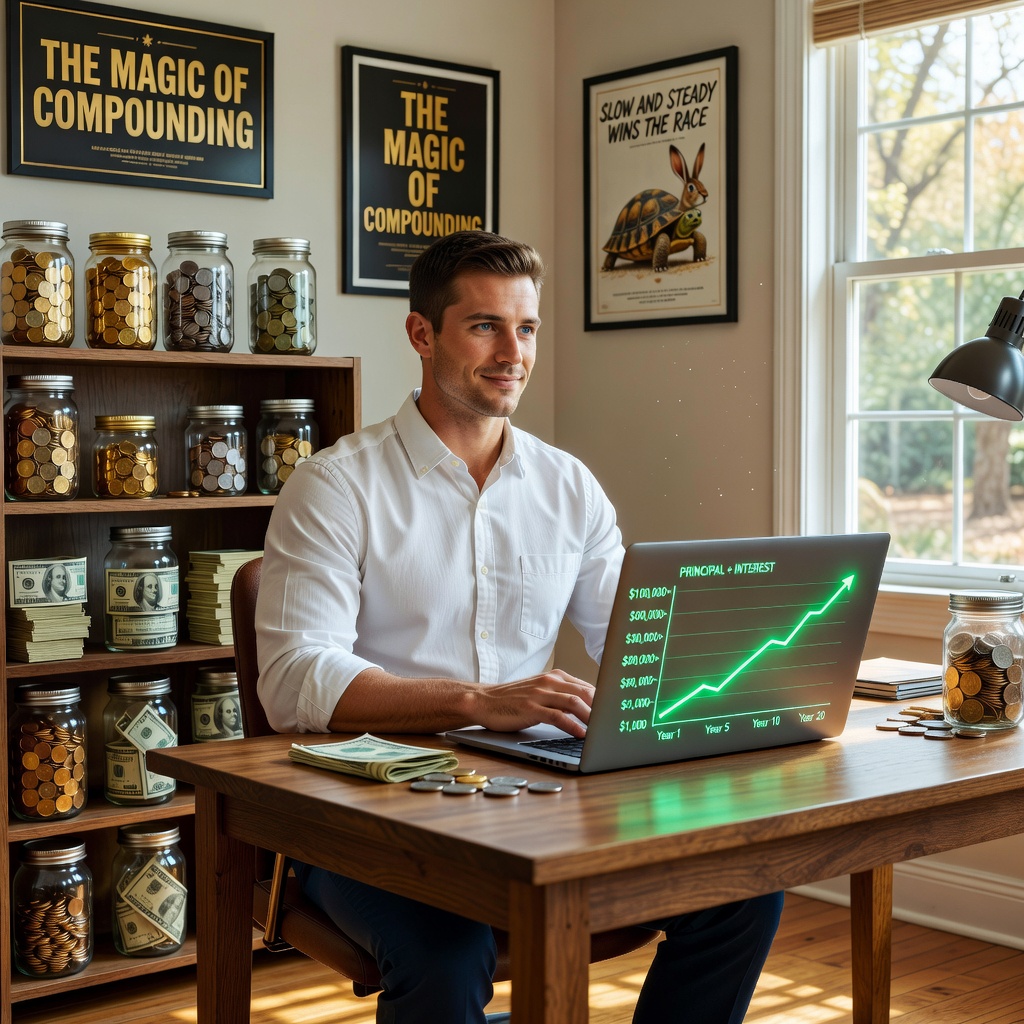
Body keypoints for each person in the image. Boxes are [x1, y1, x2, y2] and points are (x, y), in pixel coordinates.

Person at [256, 230, 783, 1024]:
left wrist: (727, 671)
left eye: (527, 327)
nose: (513, 352)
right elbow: (295, 681)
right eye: (485, 326)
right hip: (369, 820)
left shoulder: (568, 485)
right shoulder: (334, 485)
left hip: (531, 801)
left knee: (745, 890)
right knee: (448, 952)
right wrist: (476, 701)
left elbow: (633, 642)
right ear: (422, 334)